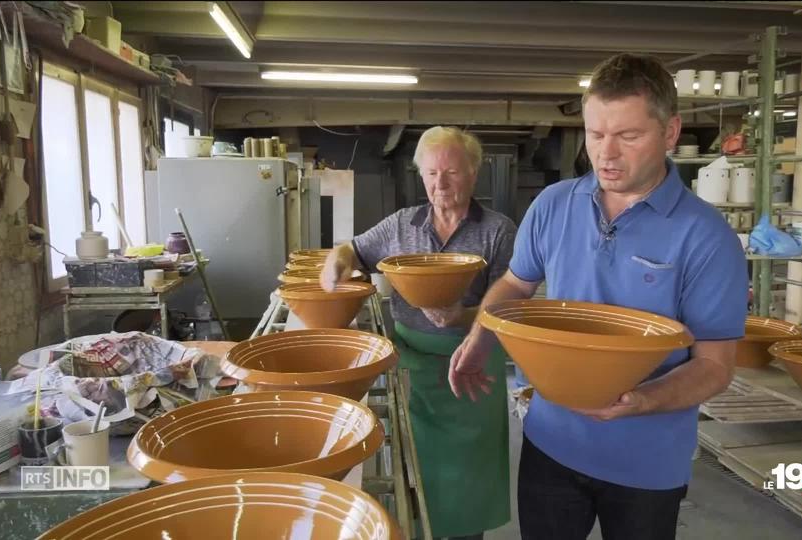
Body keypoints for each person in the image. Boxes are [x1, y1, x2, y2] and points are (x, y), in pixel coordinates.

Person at [449, 54, 748, 540]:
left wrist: (643, 400)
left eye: (628, 136)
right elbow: (515, 284)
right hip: (551, 441)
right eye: (595, 134)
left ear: (670, 133)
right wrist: (481, 337)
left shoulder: (706, 237)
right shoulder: (553, 204)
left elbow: (715, 365)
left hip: (646, 462)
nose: (606, 154)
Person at [320, 126, 516, 540]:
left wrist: (461, 318)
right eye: (431, 174)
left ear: (473, 173)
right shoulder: (400, 226)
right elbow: (351, 249)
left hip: (474, 363)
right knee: (415, 470)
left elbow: (510, 308)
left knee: (468, 474)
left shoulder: (499, 230)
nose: (440, 183)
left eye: (451, 173)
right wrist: (334, 264)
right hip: (415, 365)